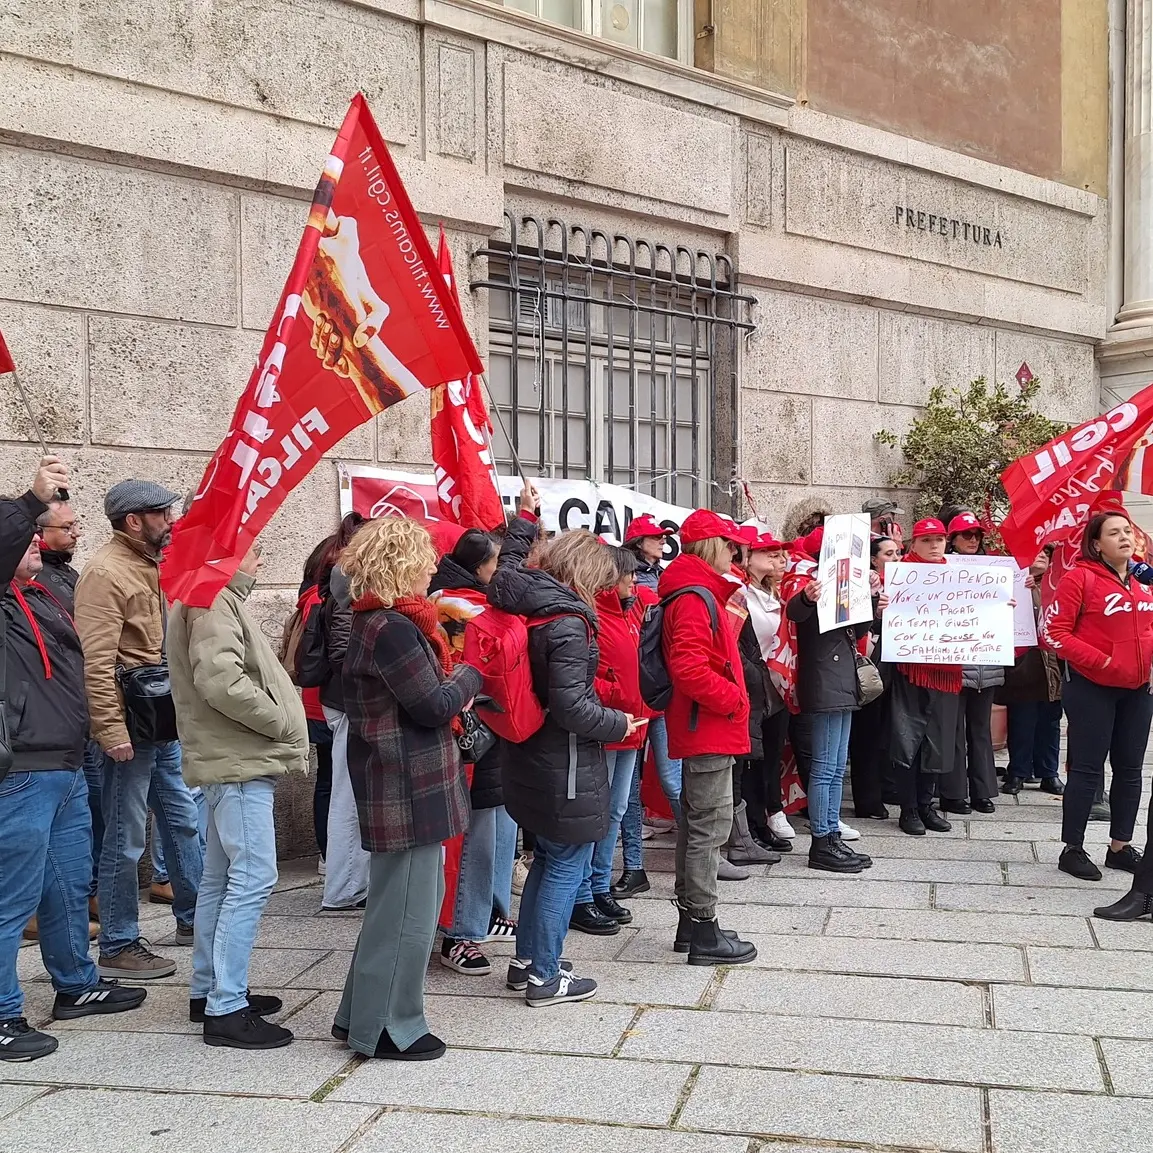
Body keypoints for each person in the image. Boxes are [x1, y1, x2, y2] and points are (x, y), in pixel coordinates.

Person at [1, 459, 147, 1062]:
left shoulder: (46, 588)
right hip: (24, 771)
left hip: (65, 762)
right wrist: (32, 497)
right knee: (10, 899)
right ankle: (4, 1015)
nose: (38, 539)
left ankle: (75, 985)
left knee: (65, 885)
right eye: (27, 534)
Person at [333, 517, 482, 1059]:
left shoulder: (380, 622)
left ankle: (358, 1016)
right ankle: (392, 1027)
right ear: (402, 566)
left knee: (393, 909)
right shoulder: (392, 627)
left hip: (400, 779)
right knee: (409, 915)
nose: (431, 568)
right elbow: (434, 704)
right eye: (423, 560)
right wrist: (470, 673)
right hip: (407, 783)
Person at [167, 538, 308, 1049]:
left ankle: (213, 991)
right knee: (252, 876)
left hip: (230, 758)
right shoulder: (213, 596)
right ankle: (225, 1005)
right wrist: (278, 724)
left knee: (221, 877)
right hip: (238, 759)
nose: (262, 557)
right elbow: (221, 680)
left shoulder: (208, 594)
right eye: (255, 547)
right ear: (230, 550)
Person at [489, 530, 635, 1005]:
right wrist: (619, 723)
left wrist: (521, 526)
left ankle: (528, 961)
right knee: (564, 864)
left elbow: (507, 568)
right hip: (565, 759)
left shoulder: (533, 604)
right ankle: (545, 976)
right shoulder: (569, 621)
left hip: (533, 754)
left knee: (547, 860)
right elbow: (571, 706)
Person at [74, 479, 203, 980]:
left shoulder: (151, 563)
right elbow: (96, 661)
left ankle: (194, 919)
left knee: (182, 822)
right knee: (126, 839)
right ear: (134, 520)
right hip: (130, 728)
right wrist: (110, 730)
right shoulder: (106, 572)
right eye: (162, 514)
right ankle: (120, 941)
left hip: (162, 721)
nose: (170, 522)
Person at [430, 488, 539, 974]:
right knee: (473, 835)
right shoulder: (457, 604)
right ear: (479, 568)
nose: (506, 576)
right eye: (499, 566)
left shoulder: (479, 599)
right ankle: (460, 931)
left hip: (499, 728)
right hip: (469, 731)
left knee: (497, 829)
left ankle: (489, 912)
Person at [659, 510, 757, 965]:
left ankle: (691, 924)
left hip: (706, 725)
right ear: (712, 545)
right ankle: (703, 928)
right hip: (709, 726)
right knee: (708, 828)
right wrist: (735, 700)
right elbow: (690, 668)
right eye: (729, 544)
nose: (735, 552)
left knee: (699, 825)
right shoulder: (695, 597)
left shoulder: (693, 591)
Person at [1040, 505, 1153, 882]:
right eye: (1114, 532)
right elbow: (1054, 633)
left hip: (1139, 689)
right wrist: (1101, 662)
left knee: (1131, 770)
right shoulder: (1079, 578)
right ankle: (1072, 848)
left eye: (1128, 531)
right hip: (1091, 687)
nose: (1125, 537)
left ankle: (1120, 846)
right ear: (1096, 543)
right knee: (1087, 769)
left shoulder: (1145, 581)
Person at [32, 496, 104, 925]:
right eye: (68, 527)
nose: (76, 533)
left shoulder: (67, 576)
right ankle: (39, 906)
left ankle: (82, 894)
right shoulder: (31, 583)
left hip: (76, 717)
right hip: (46, 724)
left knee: (89, 814)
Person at [569, 546, 648, 933]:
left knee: (615, 812)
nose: (634, 581)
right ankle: (583, 893)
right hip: (608, 725)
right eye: (628, 575)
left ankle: (600, 886)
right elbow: (585, 676)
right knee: (598, 815)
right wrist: (617, 694)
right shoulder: (594, 614)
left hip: (632, 726)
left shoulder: (629, 611)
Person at [786, 545, 877, 873]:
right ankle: (821, 840)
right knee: (825, 767)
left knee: (837, 767)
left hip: (841, 681)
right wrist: (809, 598)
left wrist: (872, 595)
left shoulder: (846, 586)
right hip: (824, 682)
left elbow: (862, 629)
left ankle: (831, 834)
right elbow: (795, 612)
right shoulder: (811, 582)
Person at [884, 519, 961, 837]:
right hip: (910, 670)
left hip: (946, 670)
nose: (934, 546)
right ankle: (909, 809)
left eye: (939, 540)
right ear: (913, 544)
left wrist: (1000, 605)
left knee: (938, 741)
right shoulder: (900, 574)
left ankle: (927, 805)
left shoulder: (961, 576)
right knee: (909, 739)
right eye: (927, 540)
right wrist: (882, 608)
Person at [317, 512, 370, 910]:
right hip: (349, 704)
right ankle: (342, 889)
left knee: (351, 797)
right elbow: (341, 652)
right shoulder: (349, 582)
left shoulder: (347, 579)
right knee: (348, 798)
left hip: (349, 702)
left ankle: (350, 885)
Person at [730, 532, 791, 858]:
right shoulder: (739, 591)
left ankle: (762, 821)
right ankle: (751, 826)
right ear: (748, 555)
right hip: (754, 686)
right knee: (751, 761)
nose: (775, 558)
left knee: (769, 759)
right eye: (767, 552)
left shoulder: (771, 591)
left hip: (777, 687)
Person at [940, 512, 1000, 815]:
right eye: (966, 535)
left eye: (977, 534)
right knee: (953, 731)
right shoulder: (939, 569)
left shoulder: (997, 569)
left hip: (986, 661)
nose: (973, 540)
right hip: (952, 664)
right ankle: (953, 793)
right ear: (953, 539)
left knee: (979, 730)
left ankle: (982, 791)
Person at [1000, 547, 1064, 797]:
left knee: (1051, 720)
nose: (1039, 557)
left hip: (1053, 664)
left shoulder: (1058, 585)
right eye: (1034, 552)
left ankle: (1049, 772)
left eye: (1044, 554)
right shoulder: (1014, 582)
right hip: (1025, 662)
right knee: (1022, 719)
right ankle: (1018, 771)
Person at [848, 536, 900, 820]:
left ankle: (887, 786)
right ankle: (868, 799)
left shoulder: (907, 580)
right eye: (888, 553)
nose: (895, 558)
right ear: (873, 559)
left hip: (893, 664)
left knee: (886, 730)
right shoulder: (863, 584)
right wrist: (874, 610)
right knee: (866, 733)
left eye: (897, 553)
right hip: (866, 665)